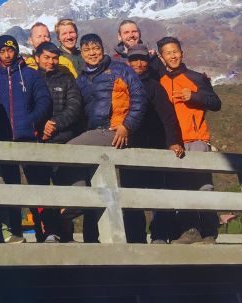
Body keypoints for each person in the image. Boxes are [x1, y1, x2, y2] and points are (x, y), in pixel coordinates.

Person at [67, 33, 146, 242]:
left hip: (113, 131)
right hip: (95, 132)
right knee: (98, 184)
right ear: (81, 53)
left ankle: (78, 200)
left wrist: (127, 126)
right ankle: (93, 235)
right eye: (87, 50)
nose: (92, 53)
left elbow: (139, 97)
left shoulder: (120, 69)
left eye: (96, 48)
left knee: (68, 150)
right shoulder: (82, 79)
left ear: (102, 49)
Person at [0, 36, 51, 243]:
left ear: (16, 51)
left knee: (37, 186)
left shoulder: (31, 75)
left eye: (10, 51)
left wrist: (31, 121)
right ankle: (15, 233)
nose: (7, 55)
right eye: (3, 51)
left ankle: (47, 231)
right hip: (2, 140)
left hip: (28, 138)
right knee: (10, 190)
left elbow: (43, 101)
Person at [158, 36, 222, 244]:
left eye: (175, 51)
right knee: (181, 188)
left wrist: (193, 96)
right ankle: (190, 231)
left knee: (203, 186)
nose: (173, 55)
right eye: (168, 53)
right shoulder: (162, 82)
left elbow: (215, 103)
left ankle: (210, 232)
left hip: (196, 138)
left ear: (182, 53)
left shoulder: (196, 78)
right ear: (162, 57)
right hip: (174, 141)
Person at [123, 43, 185, 244]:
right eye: (135, 60)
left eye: (142, 59)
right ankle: (135, 238)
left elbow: (168, 117)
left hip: (155, 146)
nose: (139, 63)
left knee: (159, 193)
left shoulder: (155, 86)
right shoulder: (121, 84)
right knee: (131, 195)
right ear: (128, 62)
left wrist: (173, 141)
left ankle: (160, 234)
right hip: (128, 148)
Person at [31, 41, 83, 242]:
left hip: (64, 142)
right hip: (38, 143)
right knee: (41, 191)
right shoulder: (30, 79)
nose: (51, 62)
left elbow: (74, 107)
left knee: (70, 190)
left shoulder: (67, 79)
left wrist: (55, 124)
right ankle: (48, 232)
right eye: (46, 57)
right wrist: (39, 127)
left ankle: (66, 232)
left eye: (54, 58)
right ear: (37, 58)